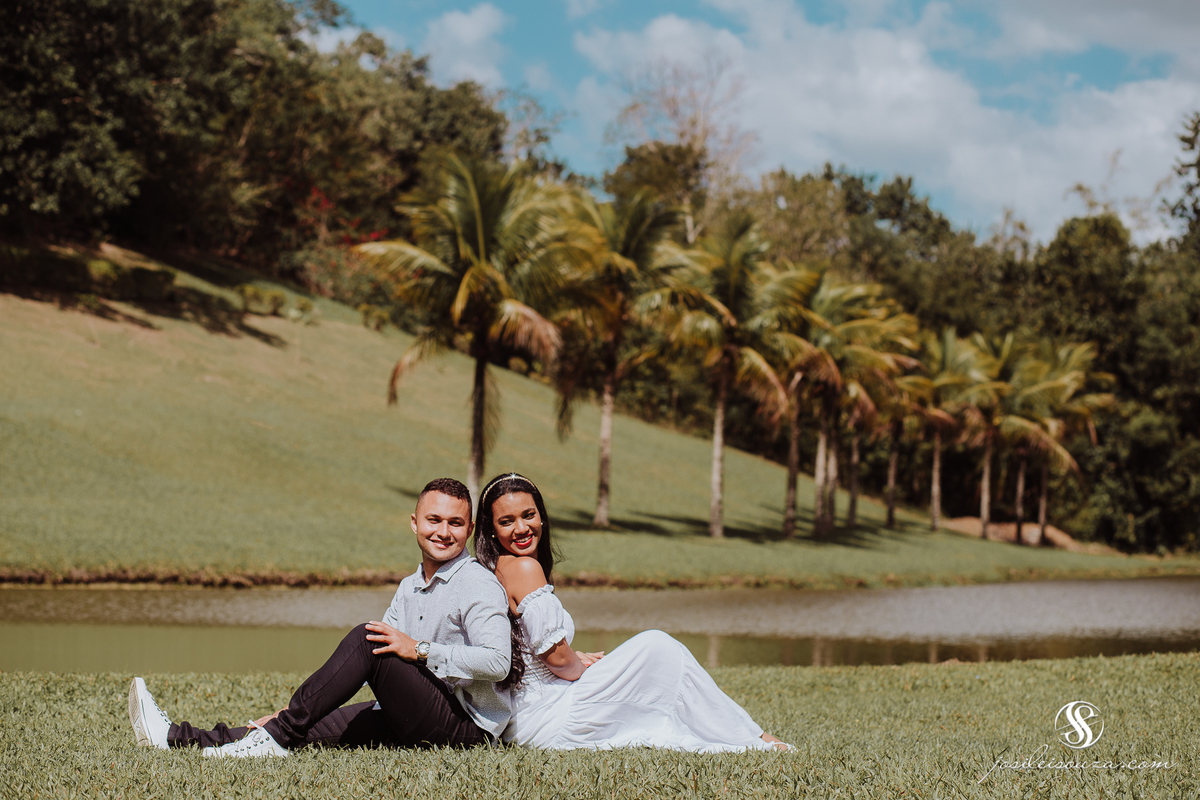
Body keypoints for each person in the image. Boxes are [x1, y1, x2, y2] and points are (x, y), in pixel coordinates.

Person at [127, 477, 512, 757]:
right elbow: (382, 668)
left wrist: (421, 649)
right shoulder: (409, 586)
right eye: (434, 520)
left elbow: (498, 662)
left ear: (469, 529)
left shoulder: (477, 583)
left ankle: (277, 734)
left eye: (455, 523)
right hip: (409, 714)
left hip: (466, 730)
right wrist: (299, 709)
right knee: (300, 725)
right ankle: (176, 738)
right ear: (414, 523)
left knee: (367, 638)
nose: (443, 531)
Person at [473, 472, 792, 752]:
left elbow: (534, 651)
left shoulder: (496, 569)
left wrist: (572, 656)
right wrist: (583, 666)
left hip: (525, 722)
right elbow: (558, 661)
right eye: (507, 521)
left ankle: (749, 734)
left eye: (528, 515)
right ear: (491, 530)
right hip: (551, 716)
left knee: (655, 656)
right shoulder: (525, 568)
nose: (521, 528)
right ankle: (755, 737)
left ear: (541, 516)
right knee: (659, 647)